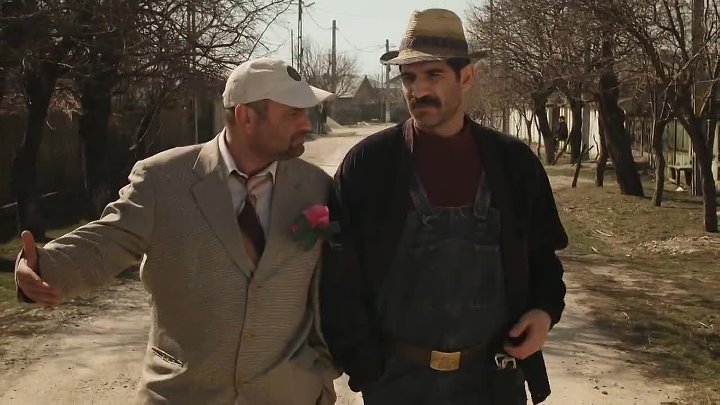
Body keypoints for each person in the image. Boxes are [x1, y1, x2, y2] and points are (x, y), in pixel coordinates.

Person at [14, 57, 340, 404]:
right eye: (293, 113)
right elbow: (106, 241)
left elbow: (337, 287)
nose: (306, 123)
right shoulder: (163, 180)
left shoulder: (316, 189)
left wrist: (323, 374)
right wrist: (41, 266)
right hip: (183, 394)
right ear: (246, 116)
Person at [321, 9, 568, 405]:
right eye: (408, 78)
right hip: (396, 385)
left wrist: (544, 311)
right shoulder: (369, 166)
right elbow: (338, 277)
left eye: (433, 75)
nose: (418, 90)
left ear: (465, 77)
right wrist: (365, 365)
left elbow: (543, 257)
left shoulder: (514, 164)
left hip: (494, 381)